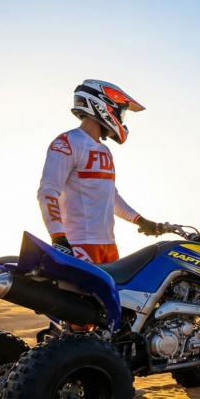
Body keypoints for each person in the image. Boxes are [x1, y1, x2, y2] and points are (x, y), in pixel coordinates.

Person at [37, 79, 161, 264]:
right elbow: (48, 191)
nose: (121, 119)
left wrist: (140, 221)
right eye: (121, 112)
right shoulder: (67, 142)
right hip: (78, 245)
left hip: (108, 246)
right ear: (104, 107)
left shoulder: (104, 150)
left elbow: (110, 196)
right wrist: (58, 237)